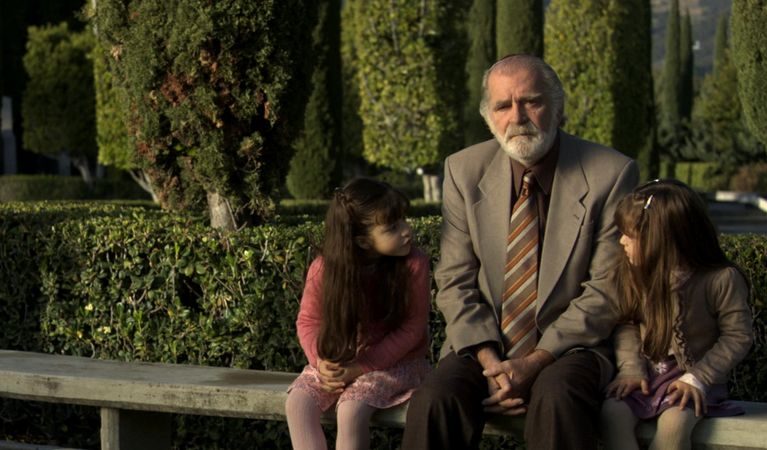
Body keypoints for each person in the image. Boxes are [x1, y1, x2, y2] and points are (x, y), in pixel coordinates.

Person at [402, 53, 639, 450]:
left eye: (532, 101)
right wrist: (491, 364)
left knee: (558, 397)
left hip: (572, 347)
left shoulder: (611, 173)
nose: (517, 116)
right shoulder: (463, 170)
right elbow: (454, 280)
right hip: (482, 345)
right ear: (488, 117)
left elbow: (607, 289)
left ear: (557, 108)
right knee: (434, 400)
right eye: (503, 106)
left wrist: (535, 361)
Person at [601, 179, 754, 450]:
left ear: (662, 240)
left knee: (674, 423)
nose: (622, 241)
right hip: (648, 376)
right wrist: (631, 369)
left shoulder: (721, 279)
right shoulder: (633, 273)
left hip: (695, 378)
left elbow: (738, 335)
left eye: (630, 235)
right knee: (613, 412)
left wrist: (698, 377)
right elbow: (627, 324)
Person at [285, 177, 432, 450]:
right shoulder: (324, 269)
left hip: (396, 363)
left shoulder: (414, 264)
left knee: (351, 410)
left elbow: (413, 328)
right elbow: (309, 321)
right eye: (392, 227)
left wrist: (361, 367)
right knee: (298, 405)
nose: (406, 231)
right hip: (341, 360)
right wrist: (321, 361)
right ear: (363, 241)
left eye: (403, 220)